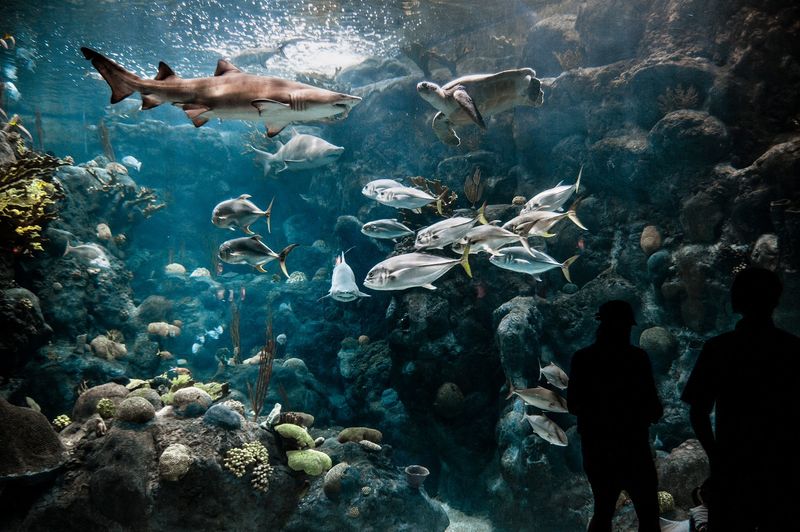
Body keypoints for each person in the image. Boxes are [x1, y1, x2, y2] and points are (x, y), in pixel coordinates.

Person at [682, 267, 800, 531]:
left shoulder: (718, 349)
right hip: (784, 468)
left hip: (732, 468)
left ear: (737, 300)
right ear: (776, 299)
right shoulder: (794, 349)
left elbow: (698, 412)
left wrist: (716, 455)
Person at [569, 300, 663, 532]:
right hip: (634, 449)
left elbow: (573, 406)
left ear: (601, 324)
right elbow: (653, 407)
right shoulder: (638, 358)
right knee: (649, 513)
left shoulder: (582, 358)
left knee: (603, 511)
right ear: (627, 327)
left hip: (597, 450)